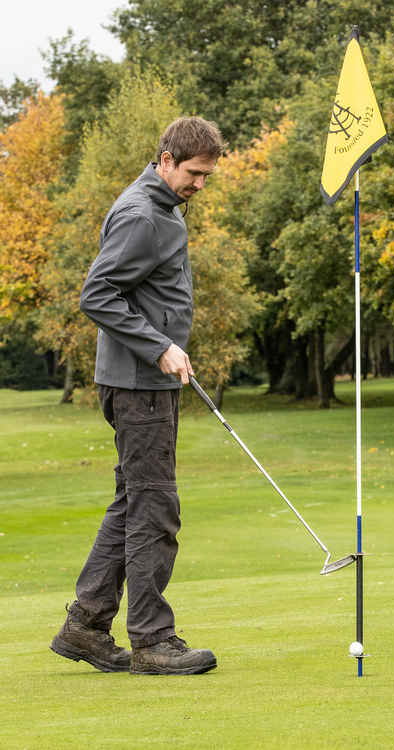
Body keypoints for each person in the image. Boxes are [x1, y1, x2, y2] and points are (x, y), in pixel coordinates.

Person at [50, 116, 225, 676]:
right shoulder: (144, 216)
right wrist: (160, 348)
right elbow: (96, 294)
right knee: (154, 509)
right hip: (139, 386)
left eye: (207, 175)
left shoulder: (160, 209)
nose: (201, 184)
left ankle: (86, 624)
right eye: (195, 173)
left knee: (133, 503)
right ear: (167, 159)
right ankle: (152, 640)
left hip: (139, 383)